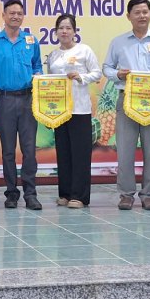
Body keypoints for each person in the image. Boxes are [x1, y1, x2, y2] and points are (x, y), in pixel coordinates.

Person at [102, 0, 150, 211]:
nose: (142, 15)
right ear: (129, 16)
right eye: (137, 12)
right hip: (126, 100)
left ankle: (148, 194)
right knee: (124, 150)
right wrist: (117, 74)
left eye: (145, 11)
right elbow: (106, 68)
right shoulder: (118, 42)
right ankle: (126, 195)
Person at [0, 0, 43, 210]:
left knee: (29, 150)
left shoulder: (31, 40)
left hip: (28, 100)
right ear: (3, 15)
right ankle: (11, 193)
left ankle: (30, 193)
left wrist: (37, 74)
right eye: (11, 13)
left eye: (19, 13)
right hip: (5, 101)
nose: (15, 16)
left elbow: (37, 65)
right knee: (8, 151)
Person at [46, 13, 101, 209]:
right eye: (60, 27)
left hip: (80, 109)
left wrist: (81, 77)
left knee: (80, 154)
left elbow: (97, 73)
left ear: (75, 31)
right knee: (63, 153)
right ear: (55, 32)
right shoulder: (53, 55)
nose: (64, 31)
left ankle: (79, 196)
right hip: (59, 111)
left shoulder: (84, 50)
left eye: (68, 27)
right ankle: (65, 193)